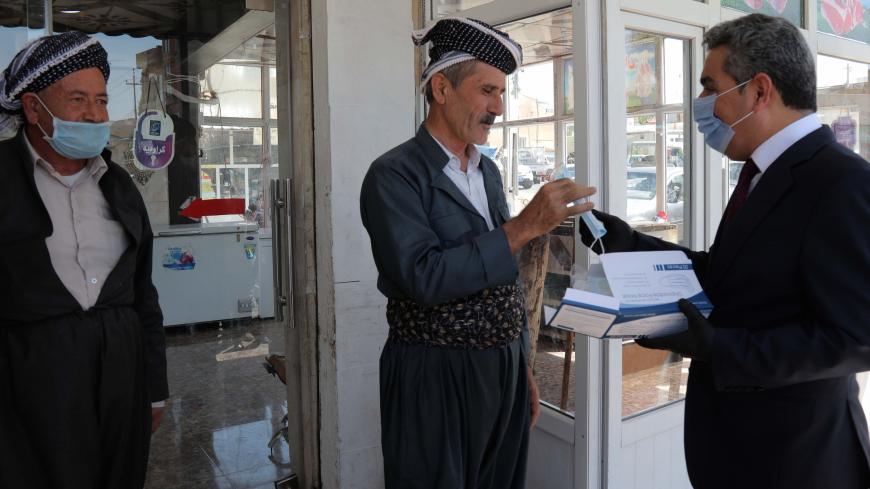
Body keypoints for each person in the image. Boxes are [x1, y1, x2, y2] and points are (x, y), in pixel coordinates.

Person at [579, 14, 870, 489]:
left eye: (709, 87)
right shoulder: (761, 174)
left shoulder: (842, 182)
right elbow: (727, 274)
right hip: (739, 452)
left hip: (797, 460)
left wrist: (723, 349)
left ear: (759, 91)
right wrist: (629, 244)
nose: (701, 105)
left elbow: (858, 336)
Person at [360, 18, 596, 489]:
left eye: (503, 94)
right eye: (487, 91)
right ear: (442, 88)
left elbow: (504, 278)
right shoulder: (393, 176)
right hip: (435, 374)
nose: (499, 109)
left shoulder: (484, 172)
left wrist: (521, 360)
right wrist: (527, 225)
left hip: (502, 367)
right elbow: (424, 278)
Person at [0, 32, 168, 489]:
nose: (94, 115)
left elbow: (143, 295)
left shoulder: (118, 185)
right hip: (31, 382)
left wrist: (153, 391)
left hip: (121, 379)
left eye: (101, 100)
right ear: (33, 108)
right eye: (77, 100)